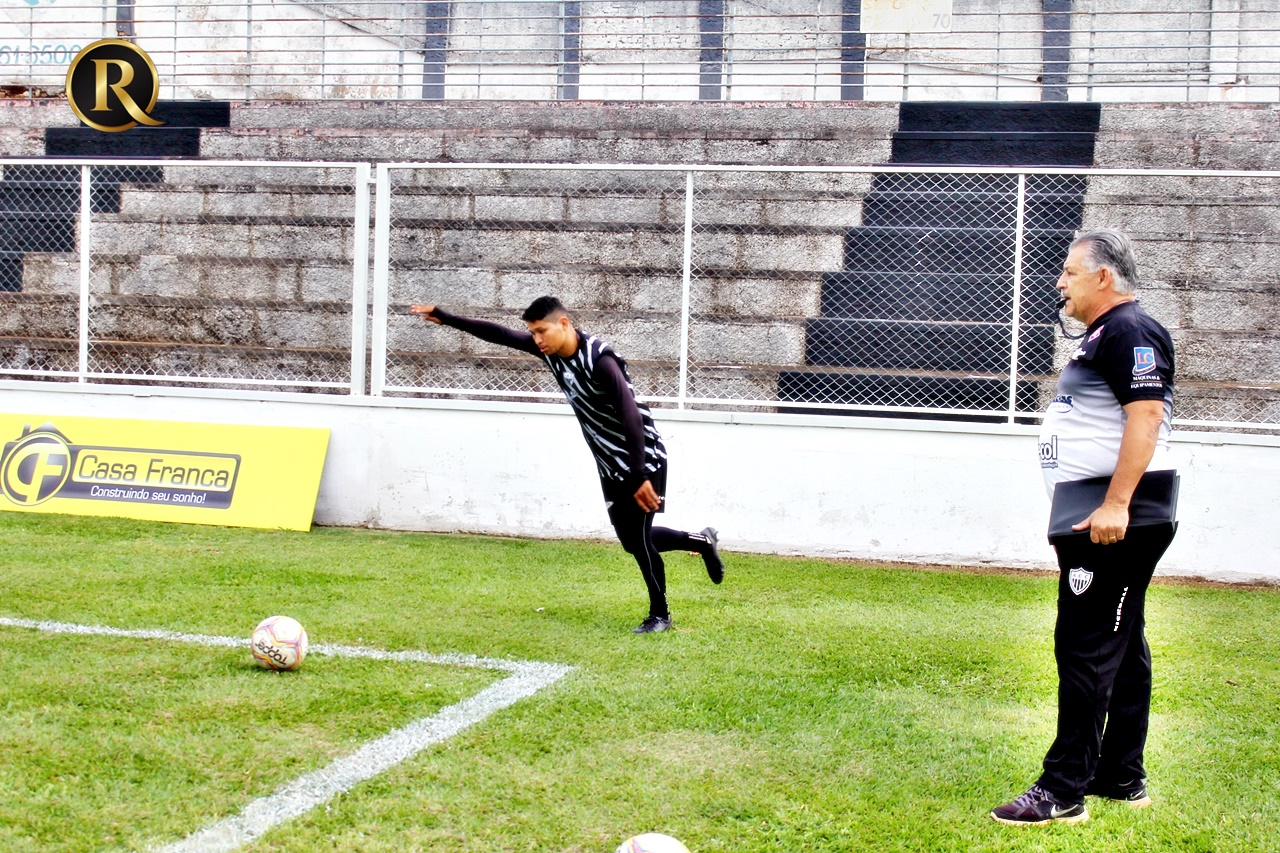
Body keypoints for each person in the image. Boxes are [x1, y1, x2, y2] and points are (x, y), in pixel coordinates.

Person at [991, 229, 1178, 825]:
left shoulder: (1131, 329)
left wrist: (1118, 503)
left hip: (1115, 517)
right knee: (1119, 645)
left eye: (1070, 273)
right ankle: (1120, 776)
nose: (1059, 283)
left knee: (1086, 646)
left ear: (1103, 277)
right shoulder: (1107, 332)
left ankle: (1063, 789)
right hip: (1094, 512)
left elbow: (1146, 416)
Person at [410, 296, 724, 634]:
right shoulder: (549, 352)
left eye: (542, 331)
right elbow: (500, 334)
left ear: (564, 324)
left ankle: (659, 615)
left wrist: (639, 475)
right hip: (610, 463)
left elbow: (630, 414)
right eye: (533, 333)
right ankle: (701, 541)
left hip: (642, 457)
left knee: (640, 541)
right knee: (633, 541)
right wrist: (445, 316)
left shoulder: (600, 360)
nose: (537, 339)